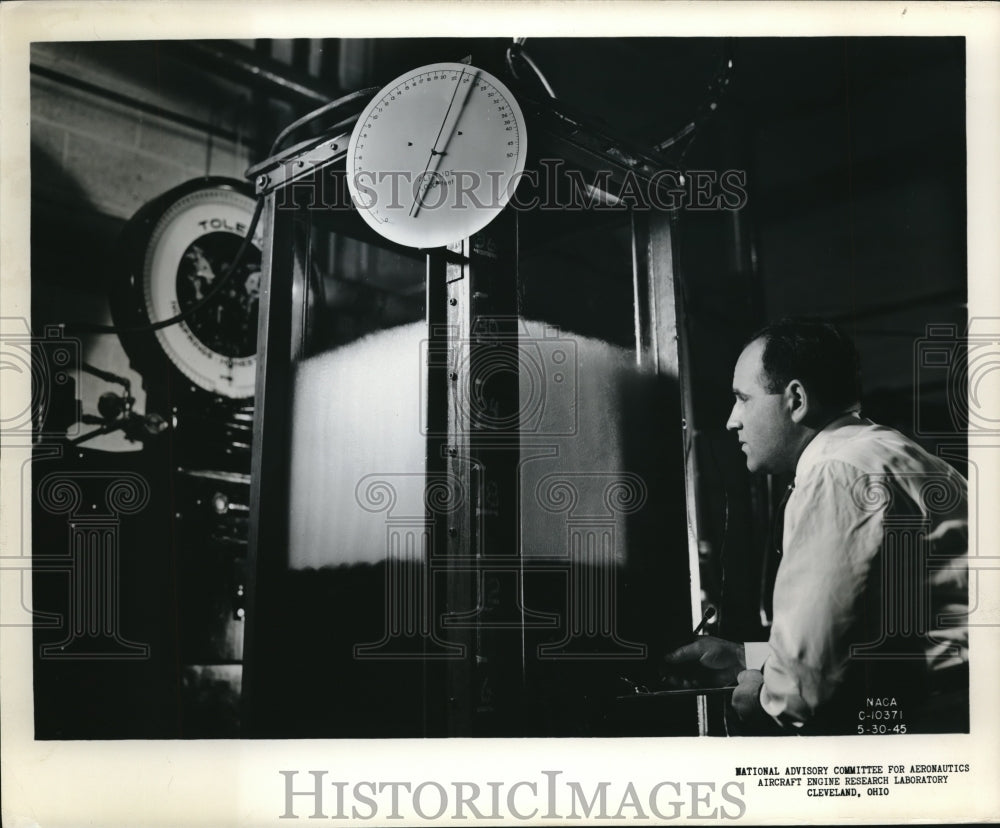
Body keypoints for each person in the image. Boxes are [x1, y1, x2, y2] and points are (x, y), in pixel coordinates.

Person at [665, 319, 969, 734]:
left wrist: (759, 697)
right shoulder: (898, 455)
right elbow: (862, 634)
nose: (731, 421)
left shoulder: (836, 475)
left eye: (743, 399)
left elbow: (802, 695)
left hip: (928, 721)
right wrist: (743, 658)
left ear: (796, 399)